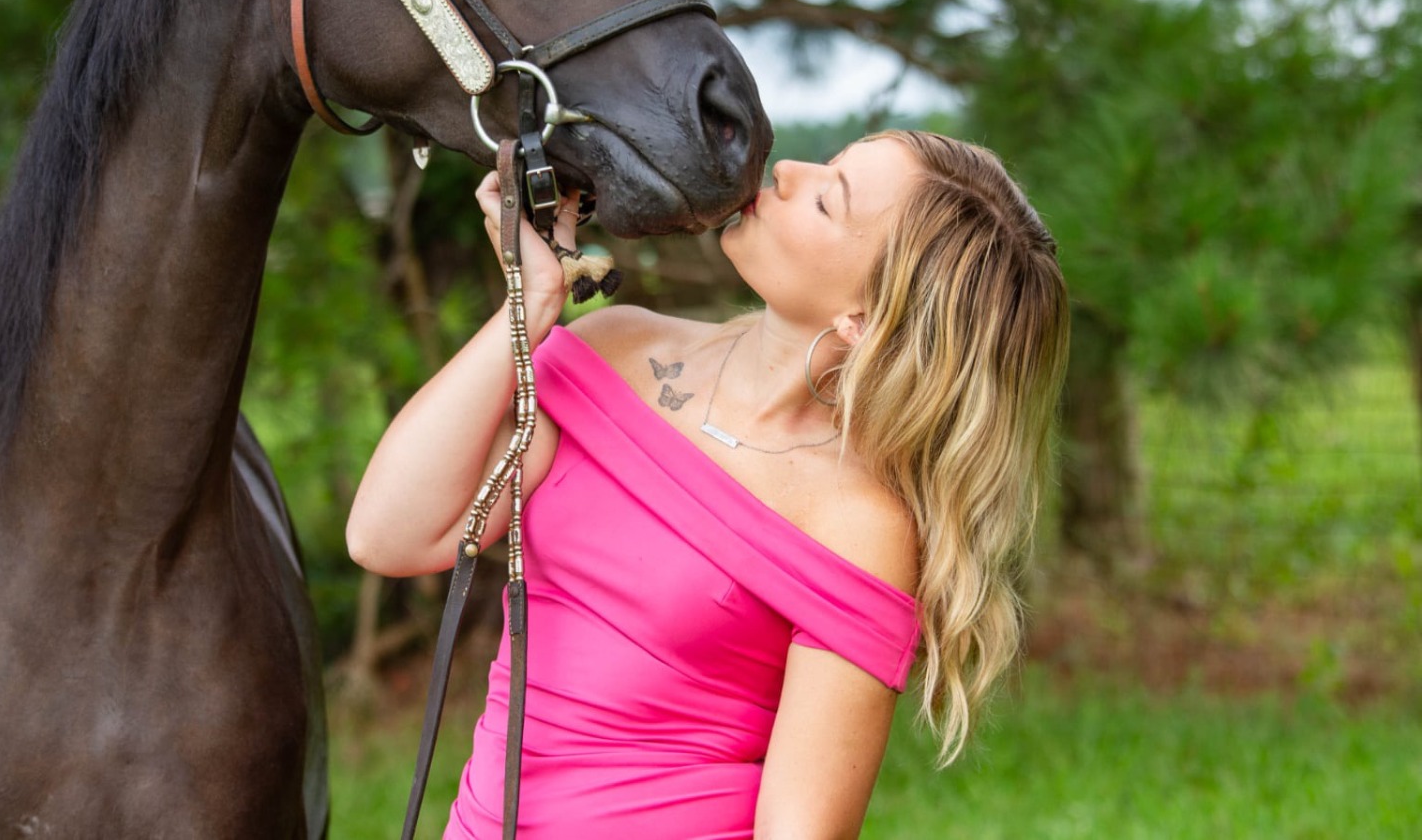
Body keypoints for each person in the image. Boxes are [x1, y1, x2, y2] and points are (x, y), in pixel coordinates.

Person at [346, 130, 1070, 840]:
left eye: (830, 200)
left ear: (864, 318)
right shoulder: (618, 345)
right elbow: (392, 534)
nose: (788, 169)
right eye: (828, 161)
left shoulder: (857, 521)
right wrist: (529, 304)